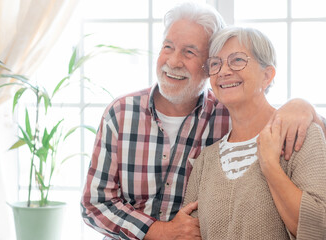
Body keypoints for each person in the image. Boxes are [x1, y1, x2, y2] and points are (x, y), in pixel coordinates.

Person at [81, 2, 326, 240]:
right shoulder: (122, 113)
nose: (174, 61)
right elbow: (95, 203)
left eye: (189, 51)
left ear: (206, 66)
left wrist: (303, 105)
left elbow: (274, 114)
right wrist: (159, 232)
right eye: (168, 47)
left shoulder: (228, 110)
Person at [183, 26, 326, 239]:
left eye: (237, 60)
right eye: (215, 63)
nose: (223, 71)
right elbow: (190, 233)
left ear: (267, 75)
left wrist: (269, 165)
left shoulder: (302, 137)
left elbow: (319, 229)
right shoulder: (206, 160)